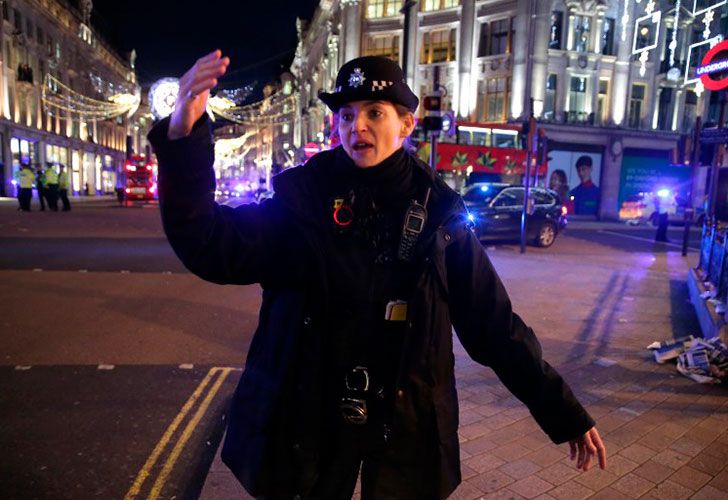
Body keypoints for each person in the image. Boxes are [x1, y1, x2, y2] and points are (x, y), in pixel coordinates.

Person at [148, 51, 606, 500]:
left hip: (404, 429)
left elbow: (494, 327)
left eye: (374, 112)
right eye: (346, 115)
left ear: (406, 124)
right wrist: (184, 134)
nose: (356, 126)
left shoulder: (441, 215)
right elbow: (211, 244)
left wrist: (563, 412)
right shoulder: (302, 201)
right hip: (308, 426)